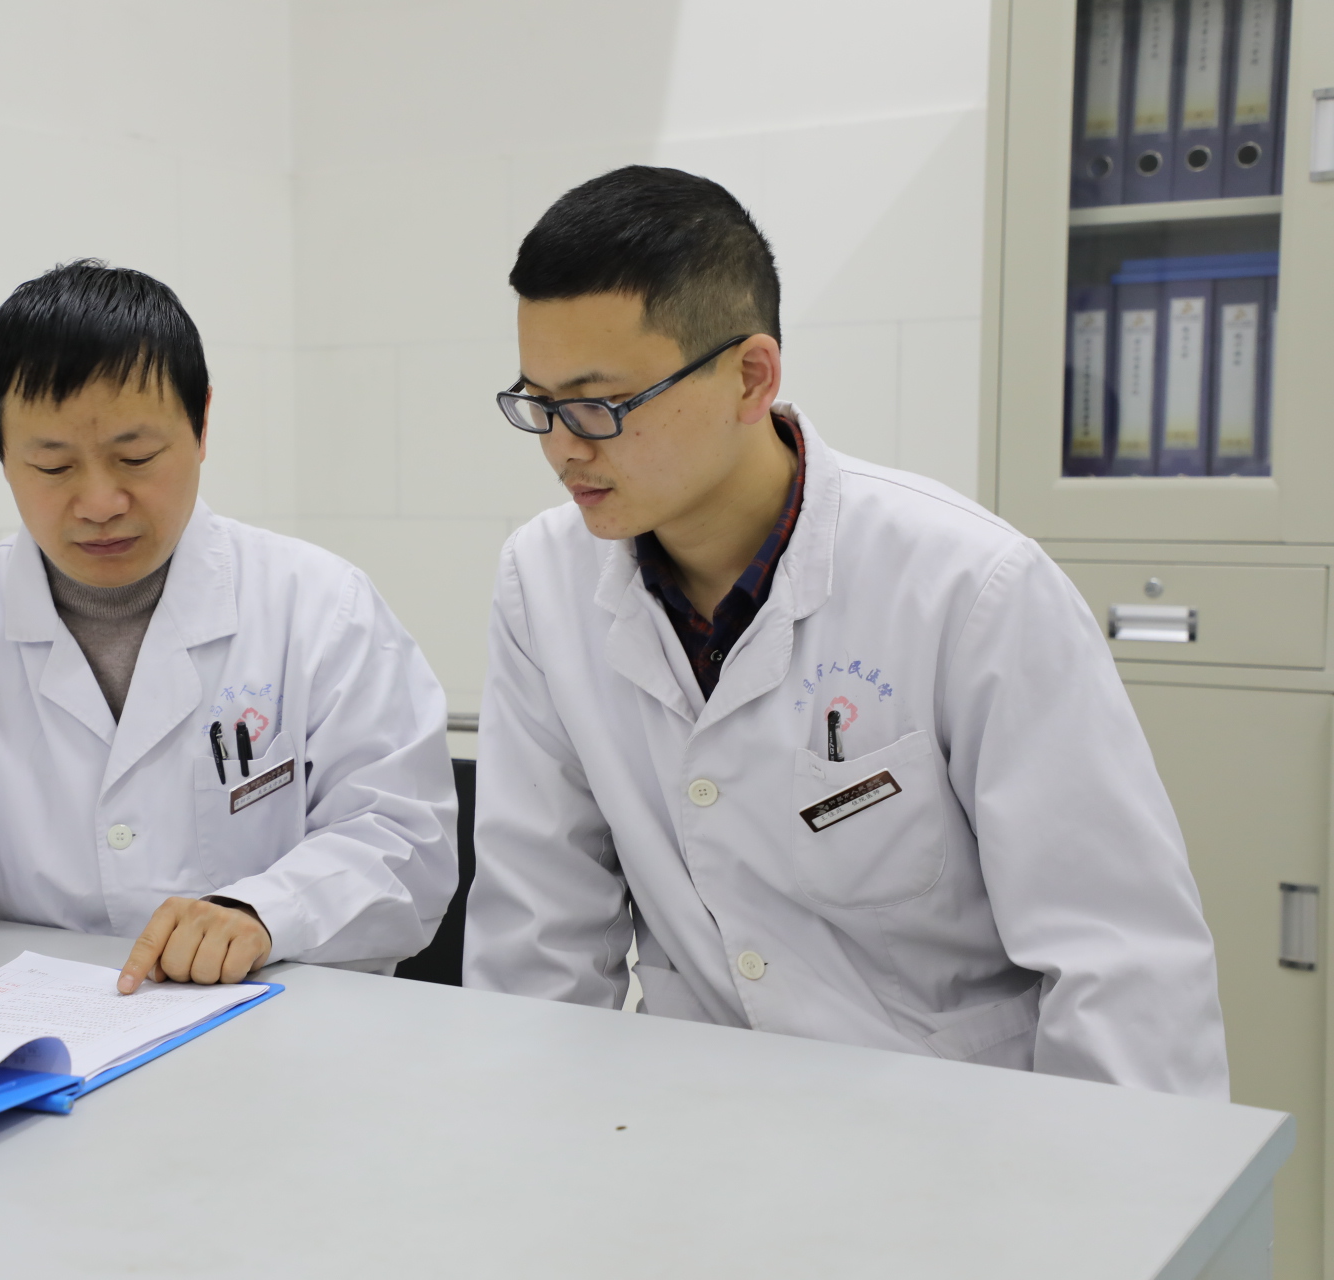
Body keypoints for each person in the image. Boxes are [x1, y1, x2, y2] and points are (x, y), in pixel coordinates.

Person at [461, 167, 1228, 1097]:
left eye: (599, 405)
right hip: (695, 1120)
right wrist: (532, 1144)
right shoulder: (543, 583)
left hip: (958, 1131)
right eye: (538, 403)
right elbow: (539, 938)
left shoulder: (969, 587)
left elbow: (1121, 963)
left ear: (751, 377)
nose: (564, 446)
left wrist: (1107, 1187)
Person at [0, 261, 457, 1058]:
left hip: (283, 1044)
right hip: (31, 1054)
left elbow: (403, 840)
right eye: (52, 466)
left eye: (136, 457)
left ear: (202, 425)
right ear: (2, 453)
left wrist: (262, 912)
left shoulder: (321, 607)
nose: (100, 502)